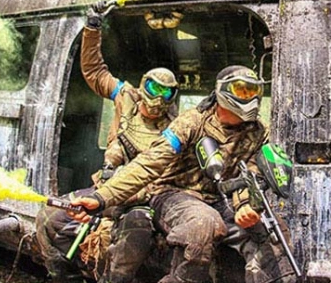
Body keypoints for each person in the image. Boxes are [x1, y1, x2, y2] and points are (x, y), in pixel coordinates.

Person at [70, 65, 295, 283]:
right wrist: (101, 197)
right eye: (242, 90)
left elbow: (250, 175)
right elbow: (149, 164)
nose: (250, 98)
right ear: (222, 92)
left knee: (272, 230)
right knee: (203, 224)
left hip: (220, 199)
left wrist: (246, 205)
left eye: (254, 91)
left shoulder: (258, 131)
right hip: (173, 195)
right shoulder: (192, 122)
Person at [36, 2, 180, 283]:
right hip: (102, 190)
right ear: (143, 85)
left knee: (124, 251)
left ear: (172, 98)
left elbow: (162, 178)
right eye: (153, 88)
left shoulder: (175, 131)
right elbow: (93, 70)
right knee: (49, 218)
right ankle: (65, 277)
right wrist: (92, 26)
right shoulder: (124, 97)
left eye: (166, 93)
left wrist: (124, 194)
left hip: (138, 201)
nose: (157, 98)